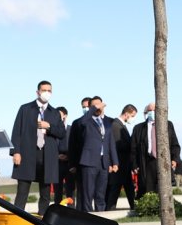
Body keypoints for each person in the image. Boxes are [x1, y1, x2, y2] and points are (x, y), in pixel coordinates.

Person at [10, 81, 65, 213]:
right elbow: (16, 132)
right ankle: (18, 218)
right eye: (44, 90)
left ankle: (43, 220)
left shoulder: (55, 113)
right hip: (27, 153)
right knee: (22, 191)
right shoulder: (25, 109)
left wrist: (49, 126)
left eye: (49, 90)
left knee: (45, 194)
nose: (46, 92)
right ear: (38, 92)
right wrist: (15, 152)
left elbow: (62, 133)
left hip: (47, 156)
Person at [75, 97, 118, 212]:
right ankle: (88, 216)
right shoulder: (86, 121)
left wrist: (115, 162)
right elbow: (81, 122)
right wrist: (93, 109)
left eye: (100, 104)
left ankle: (101, 215)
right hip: (89, 161)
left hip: (104, 162)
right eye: (95, 105)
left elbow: (111, 142)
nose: (98, 107)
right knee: (88, 193)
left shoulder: (106, 123)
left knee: (101, 193)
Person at [105, 104, 137, 210]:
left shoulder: (121, 125)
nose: (133, 118)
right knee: (115, 189)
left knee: (129, 189)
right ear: (127, 113)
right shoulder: (116, 125)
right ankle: (109, 210)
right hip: (119, 164)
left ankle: (134, 207)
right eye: (133, 115)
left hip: (124, 165)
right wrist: (132, 143)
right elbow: (118, 145)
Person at [52, 106, 74, 204]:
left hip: (69, 164)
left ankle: (72, 212)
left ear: (65, 116)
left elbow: (76, 146)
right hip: (56, 164)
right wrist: (56, 156)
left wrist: (69, 157)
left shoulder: (72, 129)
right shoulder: (52, 130)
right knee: (57, 191)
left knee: (70, 191)